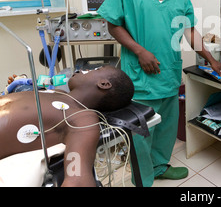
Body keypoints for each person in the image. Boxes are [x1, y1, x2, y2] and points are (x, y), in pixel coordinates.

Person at [97, 0, 221, 186]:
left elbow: (190, 31)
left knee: (166, 129)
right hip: (139, 76)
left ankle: (159, 167)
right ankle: (143, 178)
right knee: (141, 132)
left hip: (168, 74)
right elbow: (113, 24)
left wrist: (211, 59)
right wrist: (139, 51)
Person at [0, 66, 134, 187]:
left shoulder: (82, 117)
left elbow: (78, 181)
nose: (80, 70)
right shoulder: (55, 93)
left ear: (103, 84)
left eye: (96, 70)